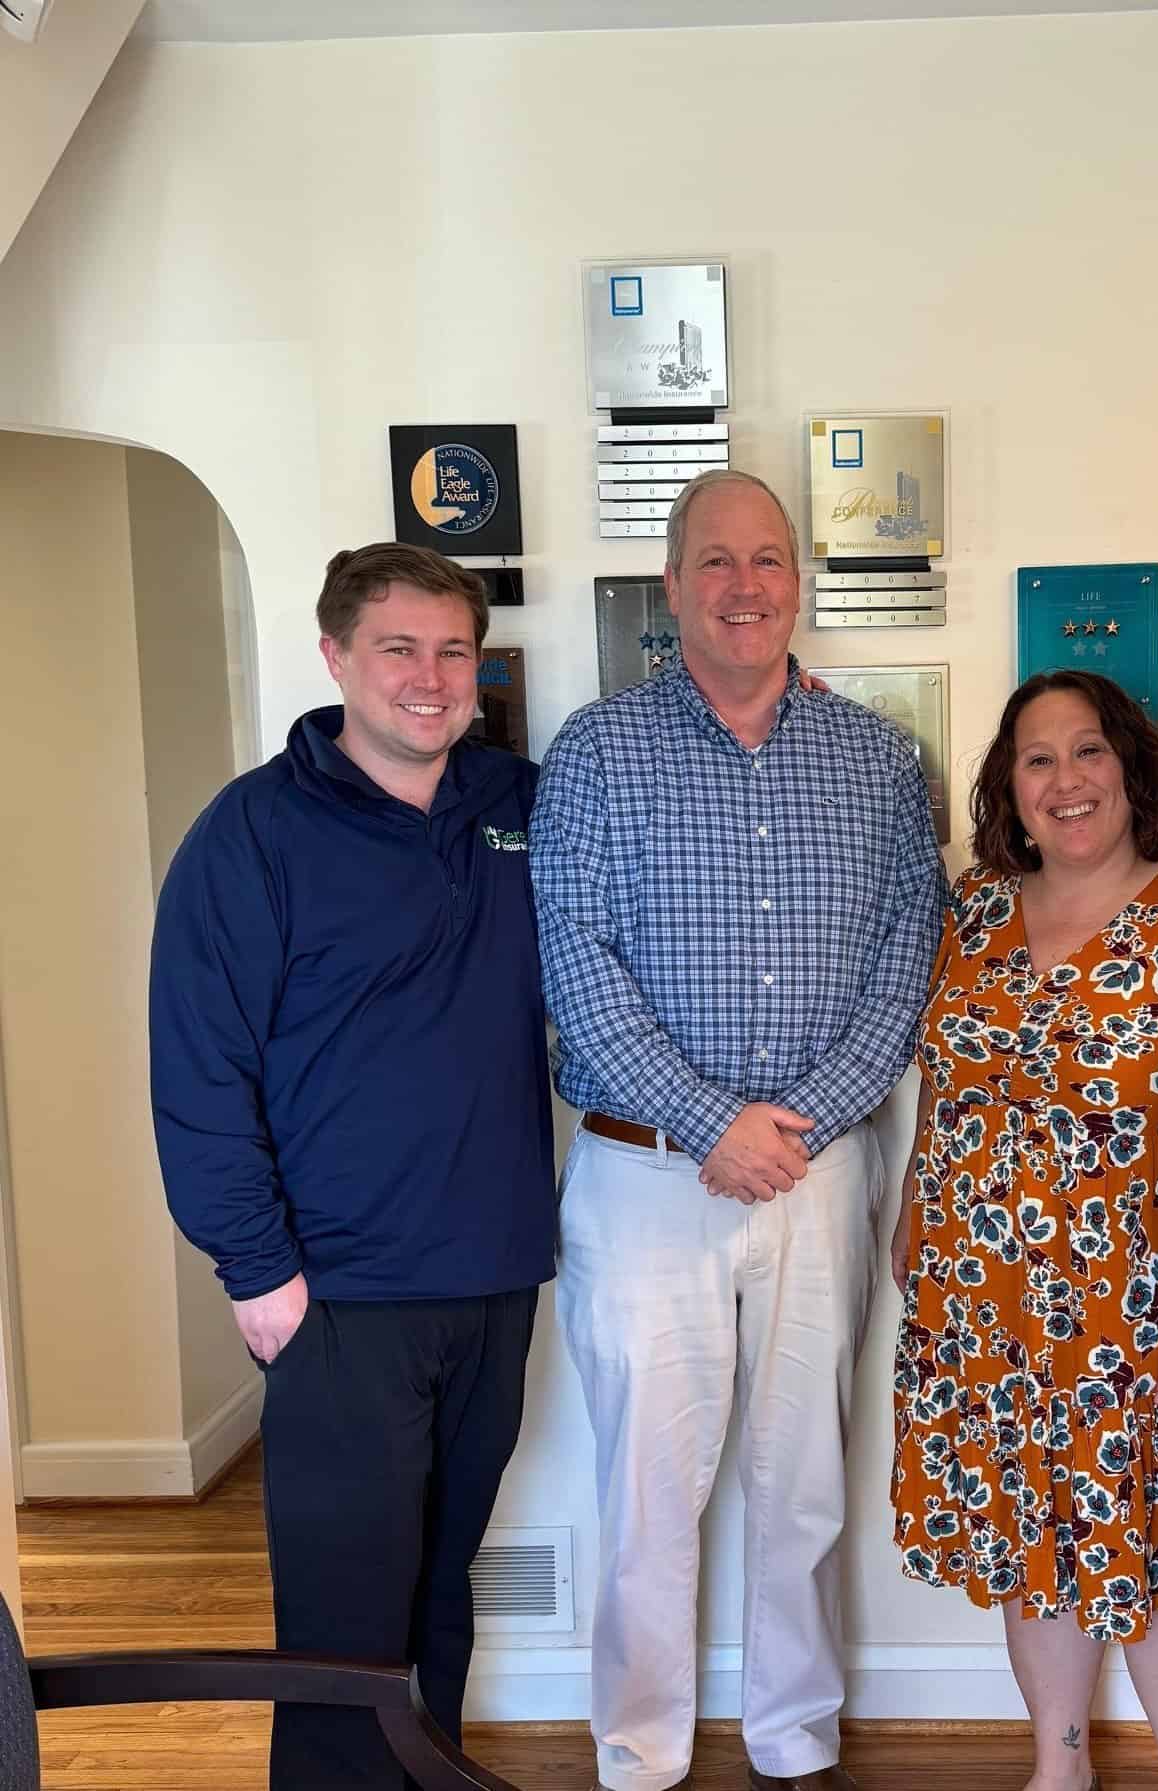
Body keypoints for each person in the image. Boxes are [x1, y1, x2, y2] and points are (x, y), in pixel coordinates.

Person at [530, 468, 946, 1791]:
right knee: (648, 1493)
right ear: (671, 584)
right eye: (716, 560)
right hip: (641, 1172)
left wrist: (803, 1122)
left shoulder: (880, 761)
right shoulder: (596, 752)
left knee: (799, 1482)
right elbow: (575, 964)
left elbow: (905, 962)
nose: (745, 584)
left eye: (767, 559)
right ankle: (639, 1748)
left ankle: (792, 1732)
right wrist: (713, 1121)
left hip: (821, 1174)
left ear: (798, 580)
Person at [150, 543, 556, 1790]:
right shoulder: (252, 835)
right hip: (332, 1297)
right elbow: (199, 1070)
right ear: (335, 657)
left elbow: (660, 831)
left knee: (440, 1601)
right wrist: (256, 1272)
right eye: (399, 648)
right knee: (339, 1634)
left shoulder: (523, 805)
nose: (430, 680)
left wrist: (785, 699)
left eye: (453, 652)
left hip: (492, 1282)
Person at [890, 670, 1158, 1791]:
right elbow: (944, 1083)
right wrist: (917, 1200)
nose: (1064, 779)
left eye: (1087, 750)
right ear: (1009, 784)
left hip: (1143, 1309)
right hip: (986, 1298)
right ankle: (1059, 1767)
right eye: (1036, 757)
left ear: (1132, 766)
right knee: (1029, 1537)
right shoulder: (975, 909)